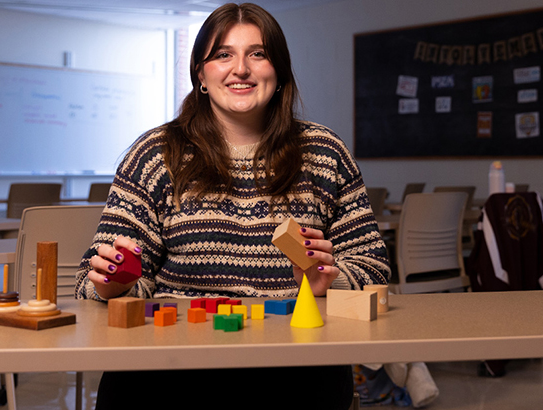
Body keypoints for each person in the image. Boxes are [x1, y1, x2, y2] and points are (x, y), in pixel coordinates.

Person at [74, 3, 390, 409]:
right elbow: (90, 282)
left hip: (298, 368)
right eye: (223, 54)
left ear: (278, 72)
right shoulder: (156, 154)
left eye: (257, 54)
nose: (240, 68)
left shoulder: (324, 153)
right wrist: (114, 284)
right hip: (171, 370)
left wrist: (330, 281)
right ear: (201, 74)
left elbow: (374, 269)